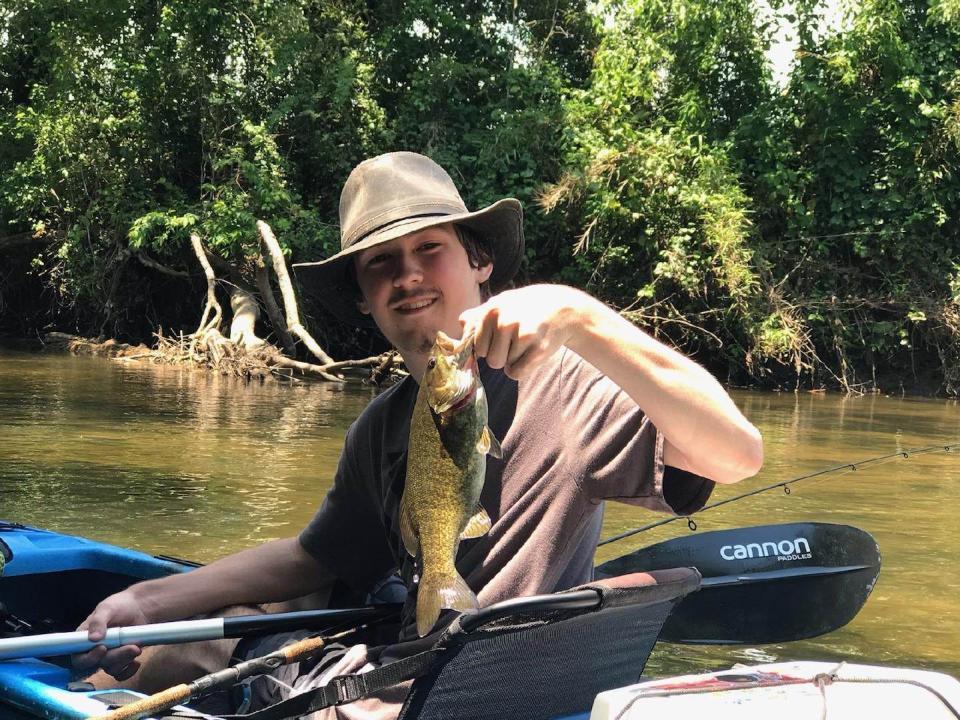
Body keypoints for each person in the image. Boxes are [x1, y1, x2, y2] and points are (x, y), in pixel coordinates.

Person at [74, 151, 763, 717]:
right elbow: (313, 557)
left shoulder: (569, 382)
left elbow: (738, 454)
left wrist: (582, 317)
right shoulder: (381, 426)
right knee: (257, 613)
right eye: (380, 263)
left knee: (169, 663)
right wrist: (145, 599)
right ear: (366, 295)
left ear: (480, 262)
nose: (406, 275)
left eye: (429, 250)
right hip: (406, 677)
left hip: (448, 701)